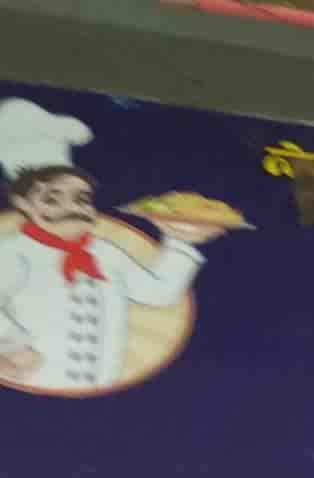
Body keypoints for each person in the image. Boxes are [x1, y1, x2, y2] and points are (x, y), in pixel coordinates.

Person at [0, 97, 223, 393]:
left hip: (102, 387)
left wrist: (181, 240)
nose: (72, 208)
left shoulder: (105, 252)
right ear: (23, 203)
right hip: (32, 385)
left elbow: (157, 293)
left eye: (81, 199)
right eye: (53, 199)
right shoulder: (13, 252)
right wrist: (12, 343)